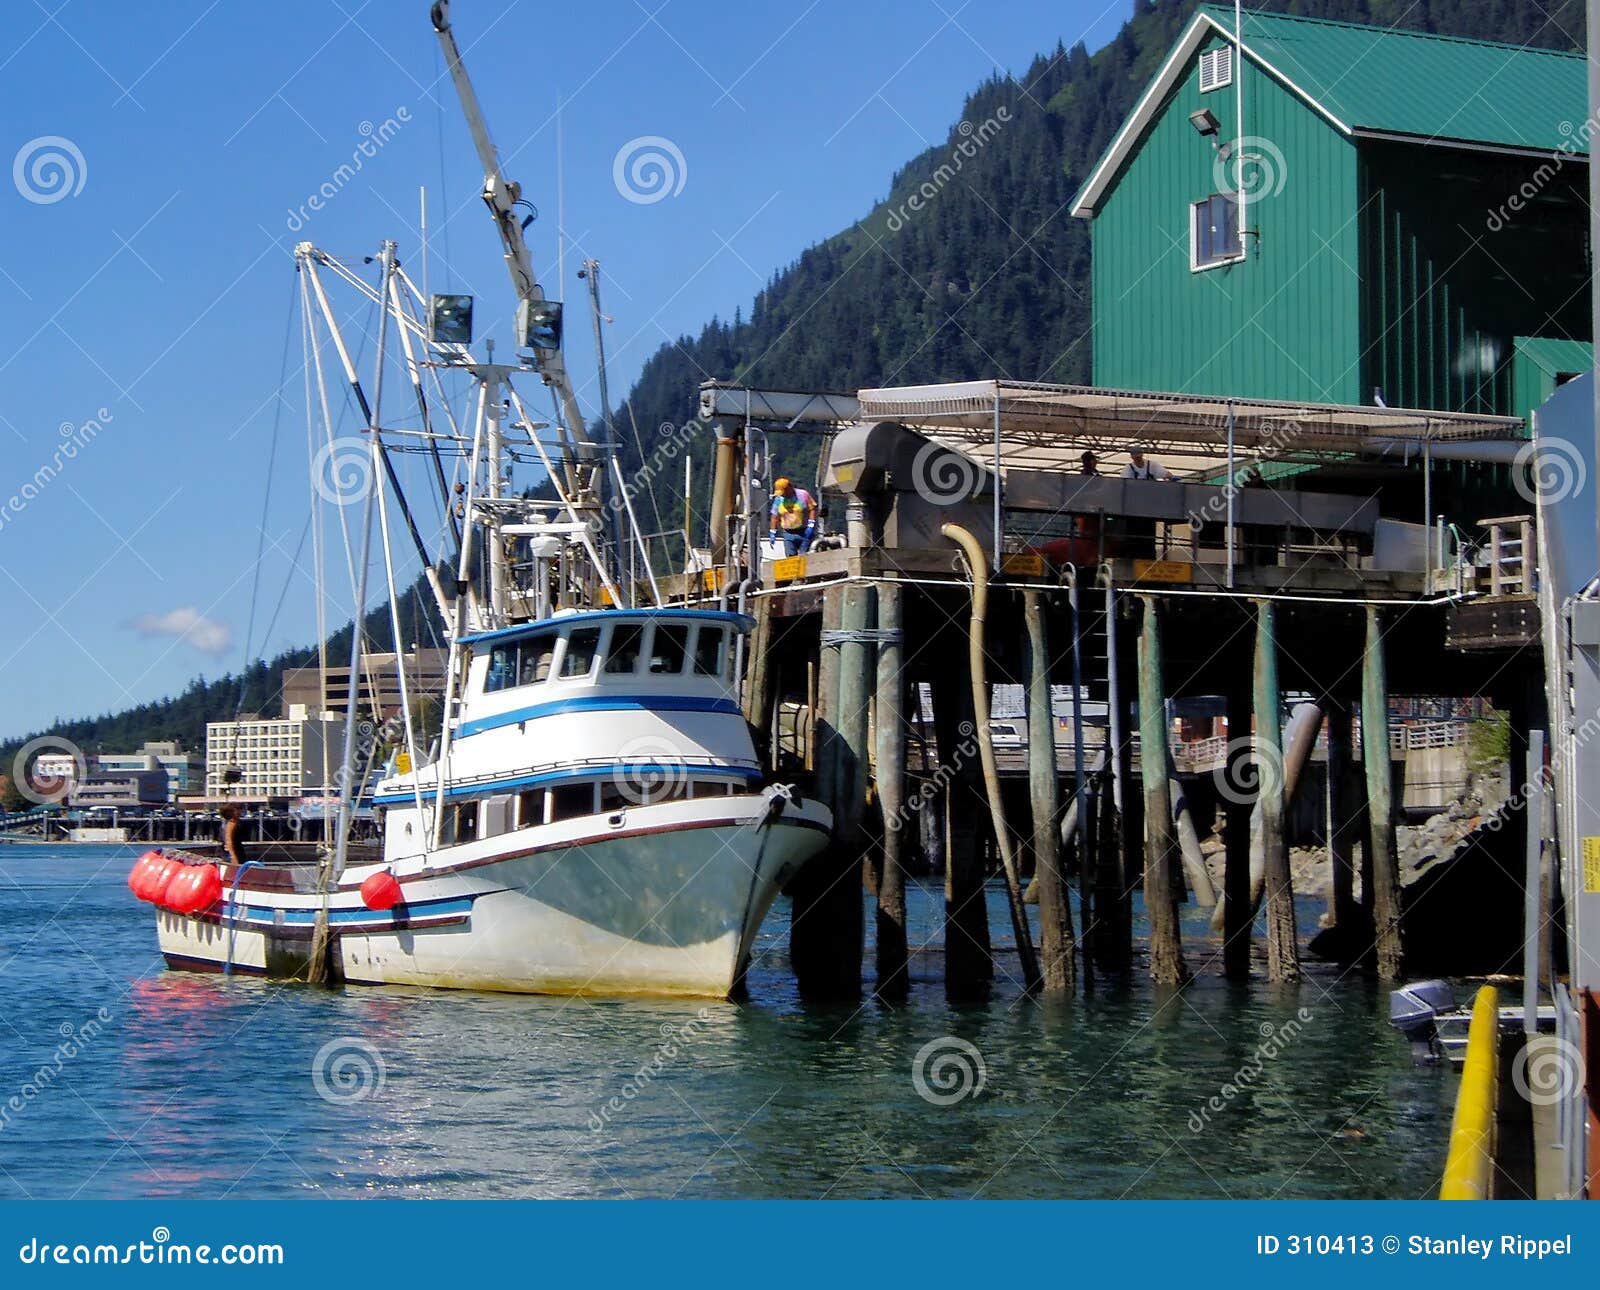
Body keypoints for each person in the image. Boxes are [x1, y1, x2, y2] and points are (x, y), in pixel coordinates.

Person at [769, 477, 817, 556]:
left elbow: (812, 508)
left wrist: (811, 525)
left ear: (789, 487)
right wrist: (772, 532)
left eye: (784, 492)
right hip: (788, 533)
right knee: (790, 558)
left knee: (805, 557)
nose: (783, 495)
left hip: (804, 532)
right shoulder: (779, 499)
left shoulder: (803, 494)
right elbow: (774, 517)